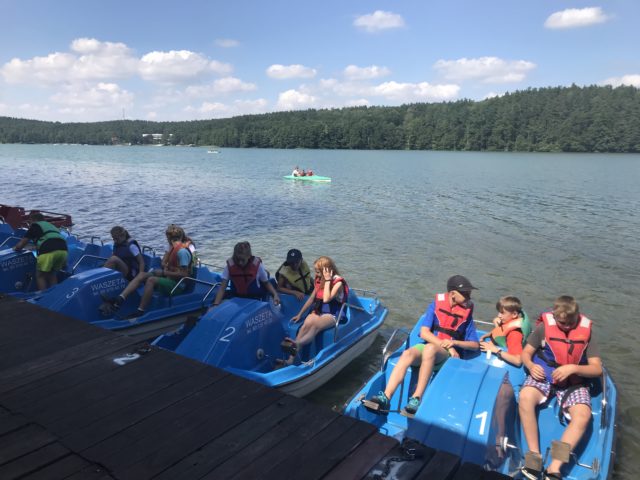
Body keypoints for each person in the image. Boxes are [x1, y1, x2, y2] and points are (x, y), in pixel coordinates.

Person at [367, 275, 480, 415]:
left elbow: (474, 345)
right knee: (407, 353)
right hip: (432, 347)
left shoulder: (467, 315)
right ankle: (386, 397)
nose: (469, 297)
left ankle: (416, 399)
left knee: (430, 349)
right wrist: (448, 346)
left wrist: (454, 343)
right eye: (465, 294)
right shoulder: (436, 305)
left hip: (444, 355)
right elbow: (424, 333)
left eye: (469, 294)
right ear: (452, 294)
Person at [519, 296, 603, 480]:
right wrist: (531, 366)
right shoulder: (543, 328)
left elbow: (597, 368)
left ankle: (554, 467)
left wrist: (573, 368)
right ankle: (534, 458)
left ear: (577, 317)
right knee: (525, 397)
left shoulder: (587, 333)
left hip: (573, 382)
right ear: (555, 316)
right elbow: (526, 353)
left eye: (571, 323)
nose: (566, 327)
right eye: (562, 323)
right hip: (544, 377)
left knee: (583, 415)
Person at [103, 224, 194, 319]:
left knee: (151, 280)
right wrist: (166, 268)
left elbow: (185, 274)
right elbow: (165, 263)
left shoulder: (182, 252)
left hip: (177, 285)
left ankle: (140, 311)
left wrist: (163, 273)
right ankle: (120, 299)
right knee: (142, 275)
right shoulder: (173, 248)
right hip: (169, 277)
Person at [279, 256, 348, 366]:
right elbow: (311, 298)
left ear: (327, 270)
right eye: (315, 271)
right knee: (305, 325)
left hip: (334, 313)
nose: (316, 274)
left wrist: (328, 280)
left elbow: (326, 299)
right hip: (321, 310)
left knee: (315, 326)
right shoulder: (319, 279)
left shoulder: (338, 283)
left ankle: (297, 344)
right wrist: (300, 314)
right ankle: (291, 360)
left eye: (318, 271)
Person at [209, 241, 280, 308]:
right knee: (214, 302)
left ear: (249, 256)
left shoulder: (257, 265)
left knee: (271, 281)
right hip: (237, 296)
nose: (240, 263)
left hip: (255, 296)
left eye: (242, 260)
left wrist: (275, 294)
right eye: (237, 259)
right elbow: (222, 287)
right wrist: (216, 304)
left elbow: (266, 283)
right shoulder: (230, 266)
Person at [12, 212, 68, 290]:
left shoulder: (35, 226)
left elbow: (22, 244)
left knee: (40, 276)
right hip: (63, 251)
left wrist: (15, 248)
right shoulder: (51, 226)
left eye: (30, 222)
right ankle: (54, 293)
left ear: (33, 220)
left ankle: (43, 294)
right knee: (52, 274)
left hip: (48, 252)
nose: (29, 224)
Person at [480, 295, 531, 367]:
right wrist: (487, 335)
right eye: (499, 312)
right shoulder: (507, 321)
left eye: (502, 313)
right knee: (496, 320)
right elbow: (500, 330)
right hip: (496, 344)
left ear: (514, 314)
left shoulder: (514, 334)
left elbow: (518, 361)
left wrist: (495, 350)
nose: (499, 315)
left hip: (502, 358)